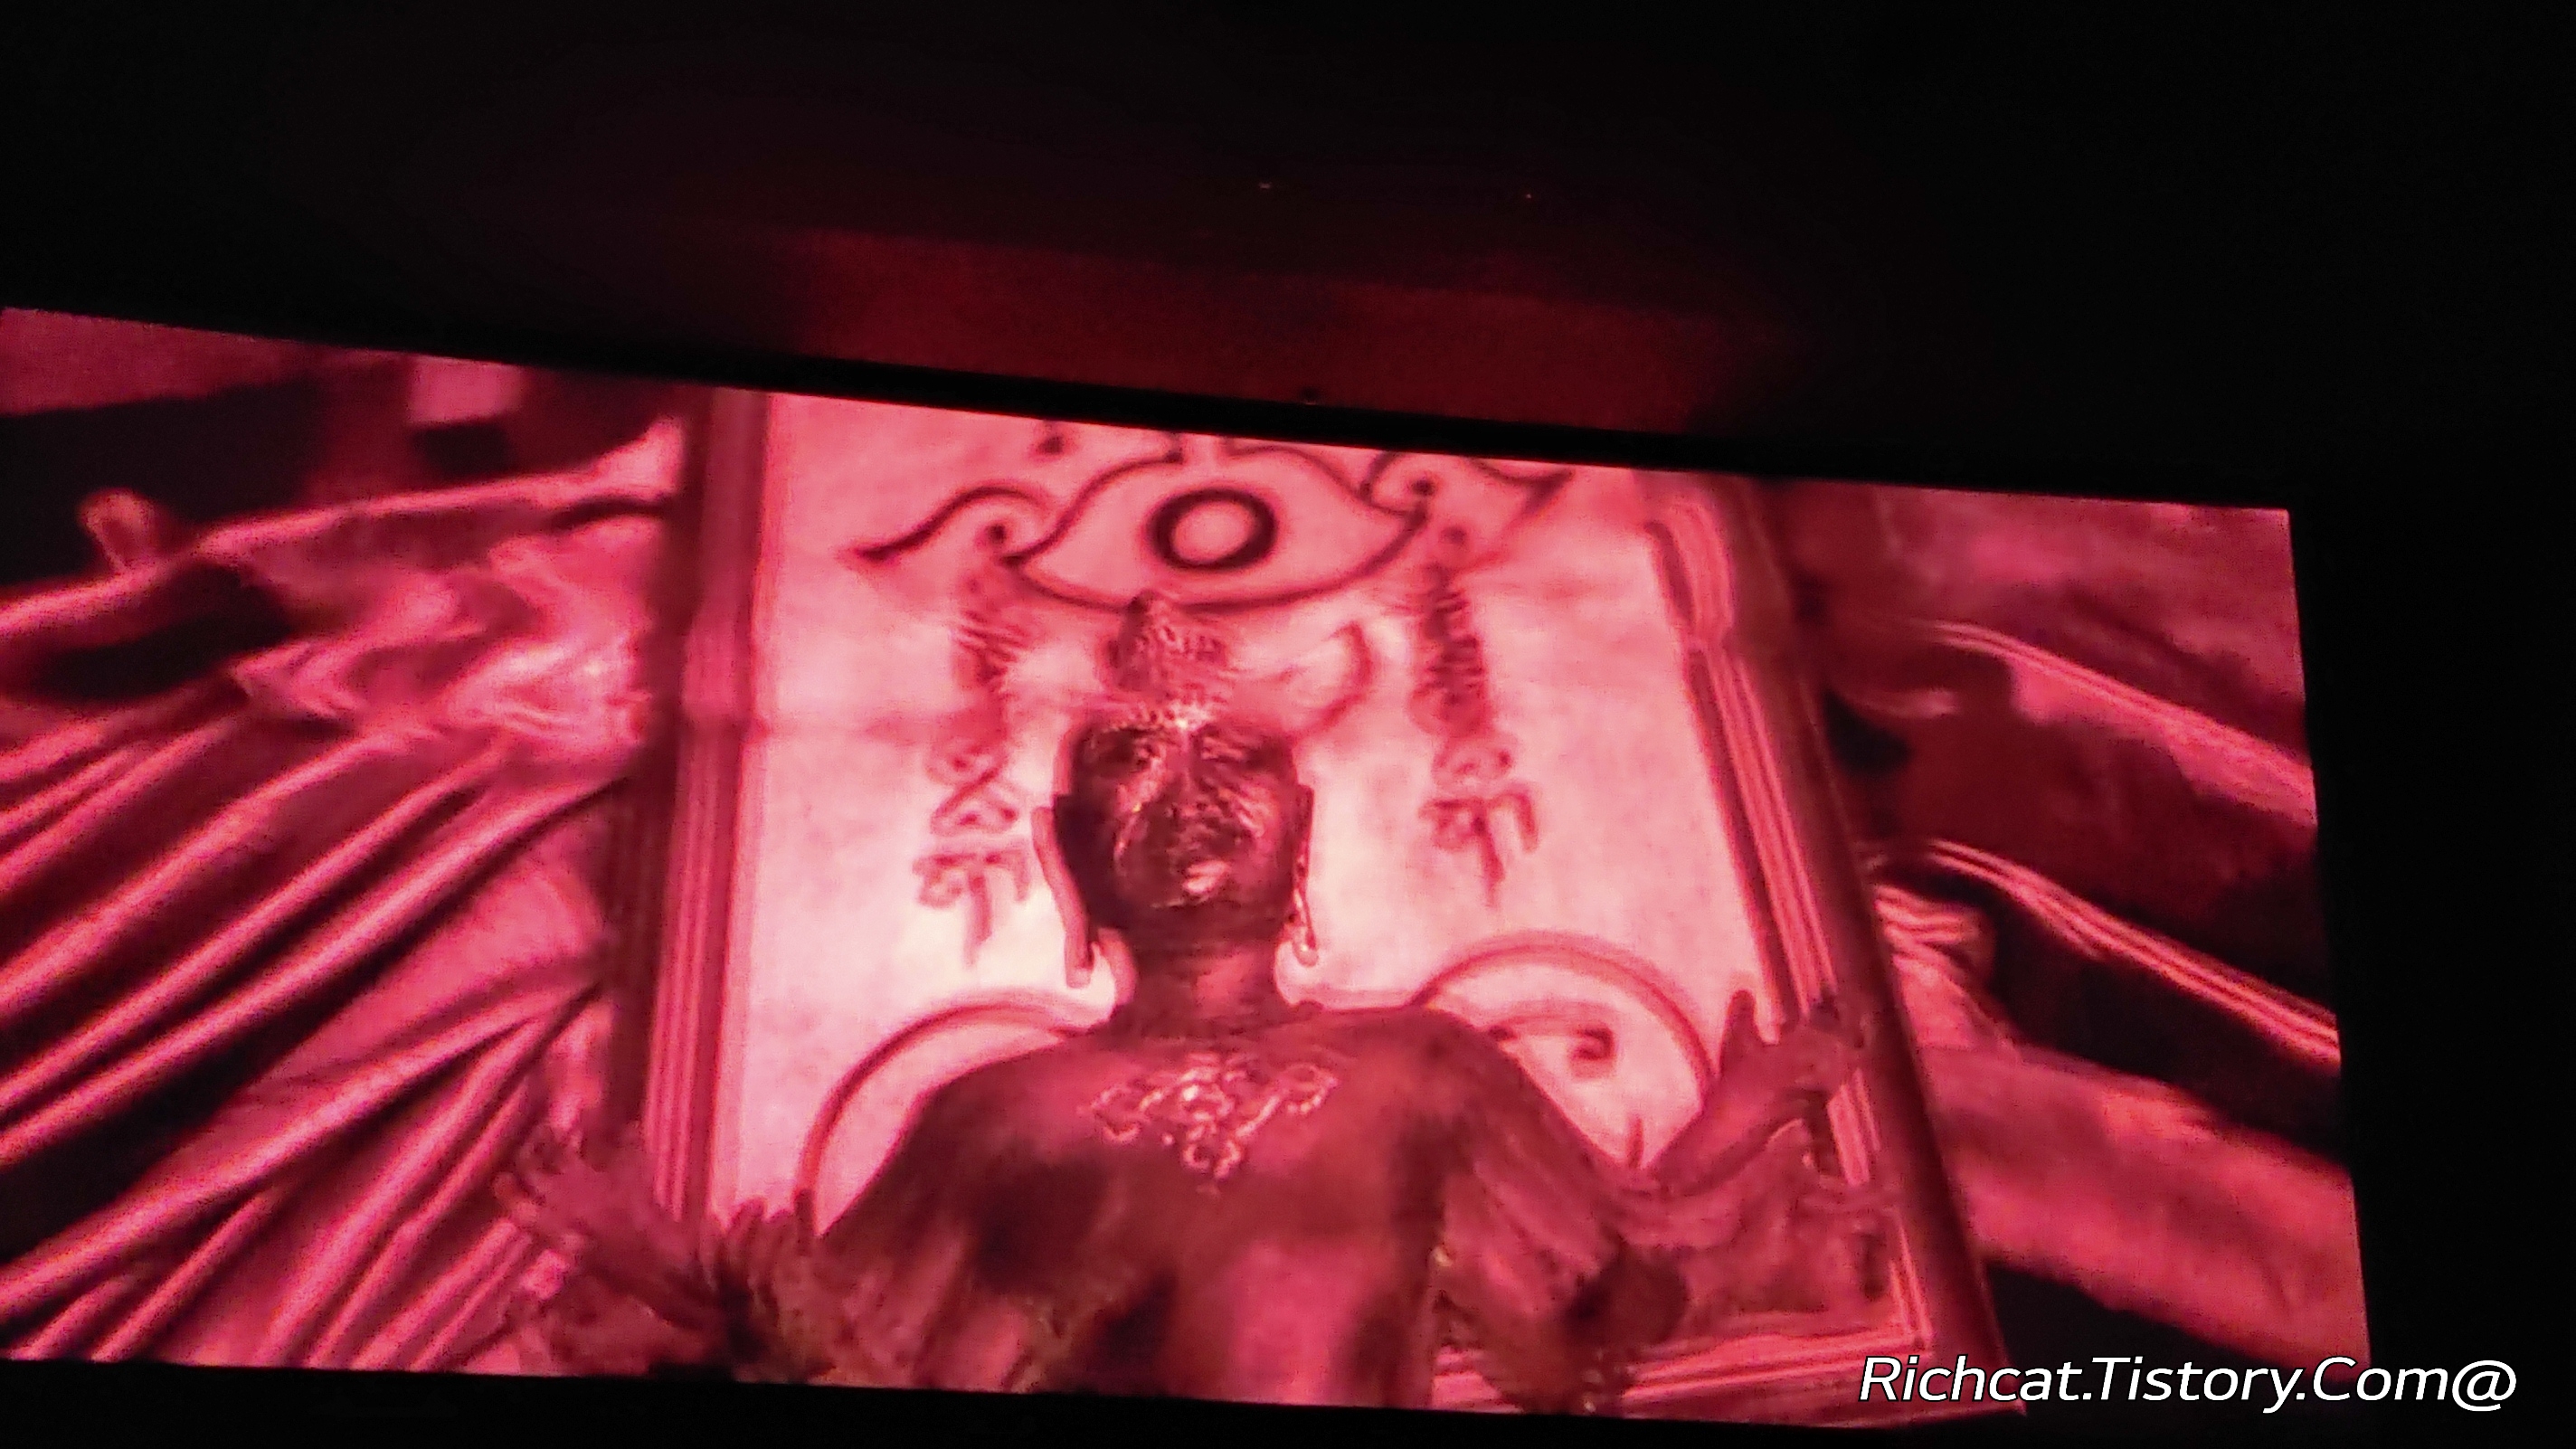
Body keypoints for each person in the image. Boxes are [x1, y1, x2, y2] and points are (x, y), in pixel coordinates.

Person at [503, 593, 1883, 1413]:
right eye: (1132, 764)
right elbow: (841, 1346)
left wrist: (1745, 1118)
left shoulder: (1423, 1066)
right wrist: (683, 1281)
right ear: (1068, 849)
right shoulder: (987, 1116)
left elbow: (1601, 1288)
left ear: (1305, 831)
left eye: (1236, 760)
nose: (1188, 793)